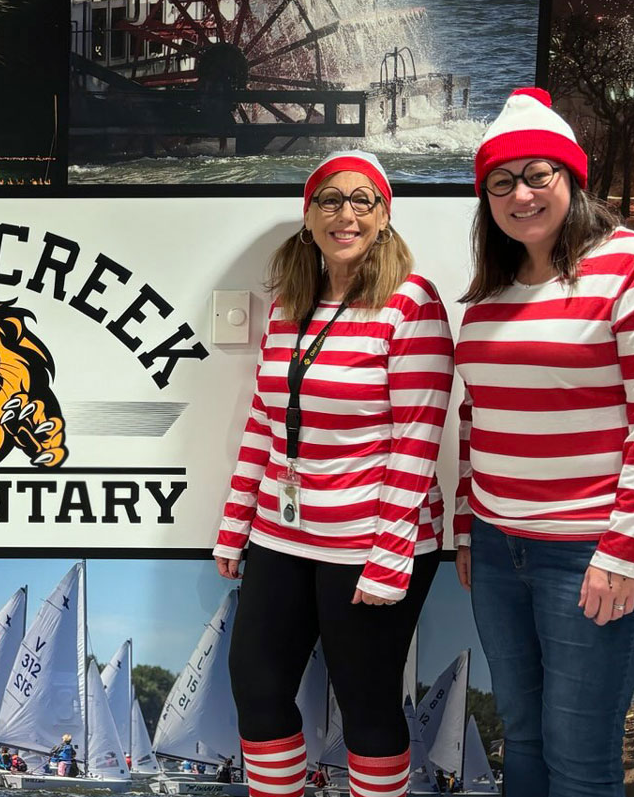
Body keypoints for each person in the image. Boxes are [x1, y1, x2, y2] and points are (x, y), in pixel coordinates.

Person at [455, 88, 634, 797]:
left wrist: (624, 552)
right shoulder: (487, 296)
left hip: (596, 548)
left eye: (539, 175)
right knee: (522, 736)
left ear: (572, 179)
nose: (520, 194)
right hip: (501, 548)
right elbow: (480, 419)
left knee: (580, 754)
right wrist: (469, 527)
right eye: (501, 181)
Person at [214, 151, 453, 797]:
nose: (345, 214)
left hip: (373, 537)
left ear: (383, 217)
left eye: (362, 200)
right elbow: (265, 421)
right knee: (257, 690)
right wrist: (235, 525)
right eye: (330, 199)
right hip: (282, 533)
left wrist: (387, 557)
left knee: (367, 706)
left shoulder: (413, 302)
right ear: (308, 215)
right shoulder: (292, 303)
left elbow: (417, 439)